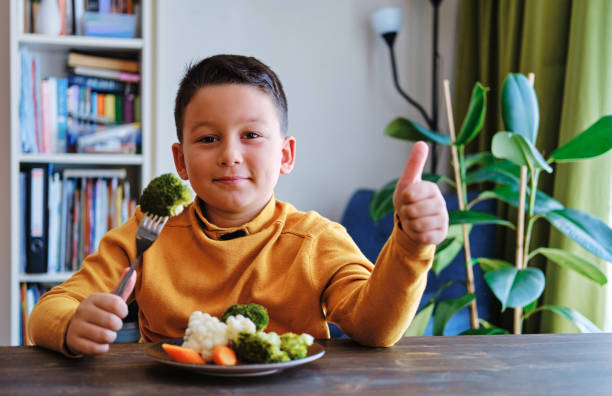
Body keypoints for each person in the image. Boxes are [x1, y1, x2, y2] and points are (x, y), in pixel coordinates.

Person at [28, 54, 448, 356]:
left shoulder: (315, 239)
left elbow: (375, 328)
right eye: (208, 139)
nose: (230, 154)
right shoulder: (148, 233)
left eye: (251, 135)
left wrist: (411, 244)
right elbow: (47, 311)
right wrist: (71, 324)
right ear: (181, 162)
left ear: (285, 154)